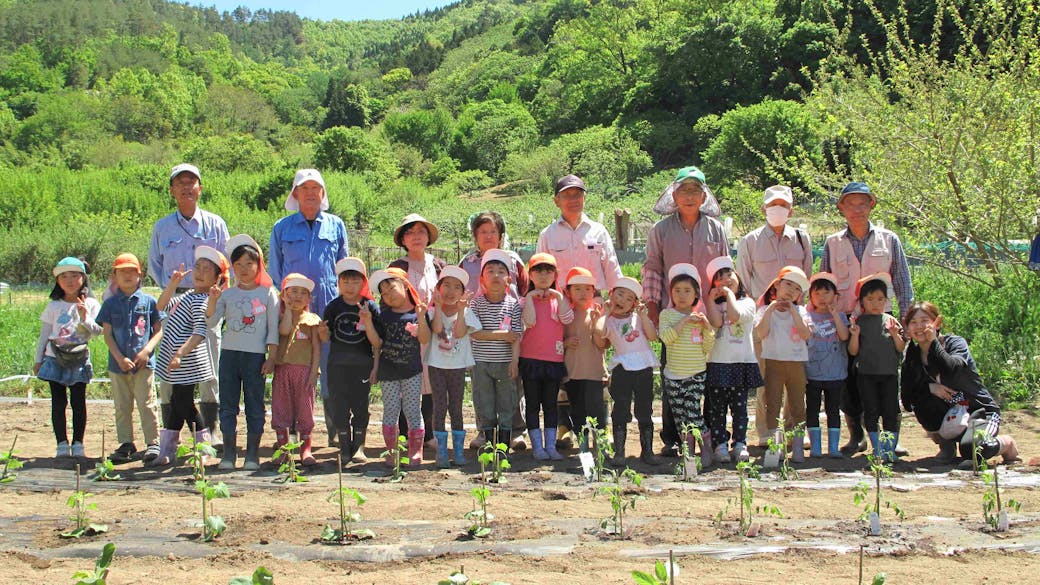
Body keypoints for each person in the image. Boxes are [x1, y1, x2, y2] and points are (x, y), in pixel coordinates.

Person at [820, 181, 914, 456]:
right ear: (841, 208)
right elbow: (826, 284)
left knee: (885, 376)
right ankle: (856, 435)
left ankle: (889, 438)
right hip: (847, 319)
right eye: (851, 204)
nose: (857, 209)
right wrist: (828, 320)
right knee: (848, 378)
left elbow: (902, 282)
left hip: (882, 319)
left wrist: (905, 322)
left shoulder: (889, 239)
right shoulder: (833, 243)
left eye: (863, 203)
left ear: (872, 205)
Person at [642, 166, 727, 455]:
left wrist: (724, 307)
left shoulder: (716, 229)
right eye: (684, 190)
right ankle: (674, 438)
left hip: (708, 316)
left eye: (695, 191)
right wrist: (652, 306)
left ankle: (711, 435)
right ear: (674, 195)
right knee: (673, 377)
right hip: (673, 315)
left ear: (704, 197)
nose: (689, 196)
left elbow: (723, 270)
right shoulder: (661, 230)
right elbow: (653, 267)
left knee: (709, 378)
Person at [148, 163, 229, 450]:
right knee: (171, 369)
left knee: (210, 367)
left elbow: (226, 265)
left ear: (200, 188)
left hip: (208, 301)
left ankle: (213, 432)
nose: (186, 187)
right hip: (174, 302)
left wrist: (217, 300)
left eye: (191, 182)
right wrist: (172, 291)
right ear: (172, 190)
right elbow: (155, 266)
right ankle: (171, 434)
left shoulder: (215, 224)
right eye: (180, 183)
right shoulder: (162, 227)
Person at [268, 169, 349, 448]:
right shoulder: (282, 227)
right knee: (292, 365)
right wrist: (284, 307)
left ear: (323, 194)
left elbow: (343, 268)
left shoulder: (336, 225)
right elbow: (275, 271)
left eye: (316, 188)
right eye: (305, 188)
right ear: (295, 194)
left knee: (328, 365)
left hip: (326, 307)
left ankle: (333, 428)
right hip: (292, 309)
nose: (311, 193)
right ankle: (291, 433)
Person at [736, 185, 813, 448]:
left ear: (790, 210)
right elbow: (744, 281)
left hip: (793, 319)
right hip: (764, 318)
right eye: (772, 205)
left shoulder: (802, 239)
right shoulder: (750, 240)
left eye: (782, 205)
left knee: (793, 377)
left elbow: (806, 278)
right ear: (763, 209)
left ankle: (792, 433)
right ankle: (766, 433)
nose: (777, 210)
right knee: (764, 377)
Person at [900, 301, 1019, 466]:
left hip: (979, 410)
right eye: (913, 322)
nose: (919, 326)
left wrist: (933, 342)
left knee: (973, 450)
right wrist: (929, 388)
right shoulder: (912, 356)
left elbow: (952, 368)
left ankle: (1007, 444)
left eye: (924, 320)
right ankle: (946, 445)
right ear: (907, 328)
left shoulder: (955, 343)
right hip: (952, 414)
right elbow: (906, 400)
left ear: (937, 322)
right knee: (921, 401)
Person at [206, 235, 279, 470]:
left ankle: (252, 455)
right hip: (229, 355)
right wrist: (212, 301)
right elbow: (211, 322)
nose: (244, 269)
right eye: (238, 264)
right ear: (232, 267)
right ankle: (228, 454)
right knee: (227, 405)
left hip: (255, 357)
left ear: (259, 265)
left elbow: (273, 328)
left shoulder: (268, 293)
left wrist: (272, 357)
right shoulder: (226, 294)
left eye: (249, 263)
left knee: (255, 405)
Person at [459, 210, 530, 451]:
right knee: (482, 391)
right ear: (475, 236)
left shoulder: (514, 260)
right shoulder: (467, 263)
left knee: (511, 388)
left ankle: (515, 432)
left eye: (493, 231)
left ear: (500, 235)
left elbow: (524, 291)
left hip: (510, 335)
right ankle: (484, 432)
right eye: (483, 232)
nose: (488, 236)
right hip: (478, 337)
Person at [152, 246, 228, 466]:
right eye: (198, 267)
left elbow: (199, 333)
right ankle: (168, 449)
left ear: (216, 278)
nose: (200, 272)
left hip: (187, 361)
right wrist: (173, 284)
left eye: (207, 269)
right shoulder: (187, 295)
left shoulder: (201, 300)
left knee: (184, 402)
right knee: (178, 401)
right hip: (177, 359)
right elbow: (160, 306)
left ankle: (203, 448)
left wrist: (179, 354)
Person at [96, 253, 163, 464]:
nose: (127, 275)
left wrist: (147, 351)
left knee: (147, 403)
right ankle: (126, 443)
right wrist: (119, 358)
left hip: (144, 364)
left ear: (139, 275)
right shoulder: (109, 304)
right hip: (118, 366)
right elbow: (107, 335)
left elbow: (158, 331)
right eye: (122, 271)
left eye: (131, 271)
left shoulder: (149, 301)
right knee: (122, 406)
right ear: (114, 276)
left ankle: (153, 442)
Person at [389, 214, 446, 452]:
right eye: (410, 233)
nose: (416, 237)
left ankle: (429, 433)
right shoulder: (396, 267)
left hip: (432, 331)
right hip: (405, 333)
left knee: (431, 383)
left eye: (421, 232)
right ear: (403, 238)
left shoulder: (438, 264)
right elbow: (389, 298)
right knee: (406, 383)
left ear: (428, 237)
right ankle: (405, 433)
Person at [35, 257, 102, 458]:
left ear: (83, 278)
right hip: (54, 357)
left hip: (79, 357)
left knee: (78, 402)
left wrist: (85, 317)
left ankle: (79, 443)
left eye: (74, 276)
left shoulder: (90, 303)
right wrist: (38, 360)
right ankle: (62, 444)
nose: (70, 280)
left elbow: (98, 332)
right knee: (58, 401)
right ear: (58, 281)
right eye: (64, 276)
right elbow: (44, 335)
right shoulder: (54, 306)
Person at [594, 277, 660, 466]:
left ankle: (647, 451)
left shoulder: (638, 318)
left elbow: (653, 336)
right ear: (611, 295)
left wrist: (644, 316)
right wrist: (606, 313)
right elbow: (599, 331)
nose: (622, 300)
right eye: (619, 294)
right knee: (620, 409)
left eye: (629, 298)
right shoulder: (609, 320)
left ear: (635, 304)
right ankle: (620, 452)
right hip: (622, 368)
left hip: (644, 368)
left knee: (645, 410)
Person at [321, 258, 382, 466]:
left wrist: (368, 321)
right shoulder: (333, 307)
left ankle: (359, 446)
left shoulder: (370, 306)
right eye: (345, 282)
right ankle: (344, 446)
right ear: (338, 283)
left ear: (363, 283)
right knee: (339, 405)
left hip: (362, 365)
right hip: (337, 365)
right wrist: (321, 333)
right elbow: (326, 337)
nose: (350, 286)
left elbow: (377, 342)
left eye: (355, 282)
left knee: (360, 405)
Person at [369, 267, 431, 466]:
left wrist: (421, 317)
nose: (388, 295)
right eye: (383, 293)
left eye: (391, 288)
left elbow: (425, 338)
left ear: (405, 285)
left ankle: (415, 452)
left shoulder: (418, 312)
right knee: (390, 410)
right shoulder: (383, 316)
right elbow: (377, 344)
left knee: (413, 410)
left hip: (412, 372)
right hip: (388, 373)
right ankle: (392, 451)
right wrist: (375, 368)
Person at [704, 255, 761, 464]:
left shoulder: (747, 302)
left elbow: (736, 316)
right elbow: (717, 322)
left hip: (741, 362)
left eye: (729, 274)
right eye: (720, 278)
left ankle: (740, 444)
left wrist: (728, 295)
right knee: (716, 408)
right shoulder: (716, 305)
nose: (726, 279)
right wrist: (711, 299)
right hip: (718, 363)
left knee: (740, 408)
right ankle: (719, 445)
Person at [657, 264, 715, 468]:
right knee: (681, 416)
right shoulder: (667, 315)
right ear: (671, 293)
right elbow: (666, 338)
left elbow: (707, 346)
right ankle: (689, 452)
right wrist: (683, 322)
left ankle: (705, 447)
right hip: (673, 375)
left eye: (687, 291)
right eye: (677, 291)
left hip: (696, 373)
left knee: (693, 412)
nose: (682, 295)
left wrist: (707, 328)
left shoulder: (700, 318)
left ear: (696, 294)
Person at [753, 266, 813, 462]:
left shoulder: (802, 311)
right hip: (773, 363)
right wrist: (771, 308)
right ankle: (773, 446)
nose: (790, 291)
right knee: (773, 404)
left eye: (797, 289)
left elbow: (805, 335)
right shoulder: (763, 310)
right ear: (777, 285)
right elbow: (761, 333)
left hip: (796, 364)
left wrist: (794, 312)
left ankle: (796, 446)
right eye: (788, 284)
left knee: (797, 404)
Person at [468, 249, 524, 454]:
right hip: (481, 363)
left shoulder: (514, 305)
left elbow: (516, 336)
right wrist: (501, 334)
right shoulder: (476, 304)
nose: (496, 275)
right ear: (482, 278)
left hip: (505, 363)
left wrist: (515, 362)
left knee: (507, 403)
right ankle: (489, 443)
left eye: (501, 272)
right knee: (485, 403)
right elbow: (475, 334)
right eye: (490, 271)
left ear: (508, 280)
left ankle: (503, 446)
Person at [520, 253, 574, 461]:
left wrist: (559, 297)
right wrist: (532, 298)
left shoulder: (560, 300)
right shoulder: (525, 301)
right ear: (530, 275)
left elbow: (567, 318)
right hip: (530, 360)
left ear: (555, 275)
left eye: (548, 271)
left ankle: (551, 446)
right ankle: (537, 447)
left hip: (553, 361)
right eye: (538, 271)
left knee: (550, 404)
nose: (543, 276)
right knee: (533, 404)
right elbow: (530, 322)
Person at [847, 273, 906, 461]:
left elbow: (900, 348)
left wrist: (896, 334)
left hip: (889, 375)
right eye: (870, 299)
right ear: (862, 301)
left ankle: (890, 448)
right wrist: (855, 335)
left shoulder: (891, 321)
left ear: (886, 301)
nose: (875, 303)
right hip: (866, 375)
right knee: (871, 411)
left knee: (891, 411)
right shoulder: (859, 322)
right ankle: (877, 447)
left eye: (880, 299)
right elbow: (853, 351)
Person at [427, 266, 480, 467]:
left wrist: (461, 310)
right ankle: (442, 453)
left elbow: (459, 333)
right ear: (438, 288)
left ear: (463, 292)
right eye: (446, 285)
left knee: (456, 408)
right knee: (439, 407)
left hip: (458, 366)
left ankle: (458, 452)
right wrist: (439, 307)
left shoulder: (466, 311)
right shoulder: (433, 311)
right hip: (436, 365)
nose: (450, 291)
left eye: (456, 287)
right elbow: (438, 329)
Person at [536, 174, 623, 291]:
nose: (573, 200)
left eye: (577, 195)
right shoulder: (547, 235)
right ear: (557, 201)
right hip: (561, 304)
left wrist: (618, 297)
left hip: (594, 304)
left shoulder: (599, 231)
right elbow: (539, 272)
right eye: (567, 195)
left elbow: (612, 269)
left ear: (584, 198)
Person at [273, 274, 322, 469]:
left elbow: (317, 348)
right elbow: (284, 331)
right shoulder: (279, 317)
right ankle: (284, 449)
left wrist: (314, 372)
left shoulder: (312, 319)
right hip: (282, 371)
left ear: (309, 299)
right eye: (293, 291)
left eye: (303, 293)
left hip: (304, 372)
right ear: (284, 295)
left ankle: (305, 449)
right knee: (281, 409)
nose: (298, 296)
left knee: (305, 410)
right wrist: (286, 309)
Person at [804, 272, 850, 458]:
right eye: (817, 293)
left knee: (833, 410)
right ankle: (816, 447)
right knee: (812, 409)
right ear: (811, 296)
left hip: (836, 373)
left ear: (835, 295)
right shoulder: (806, 315)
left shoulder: (839, 316)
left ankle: (833, 448)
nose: (822, 298)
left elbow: (844, 336)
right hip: (812, 372)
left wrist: (835, 315)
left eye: (826, 293)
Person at [561, 267, 607, 451]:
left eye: (587, 289)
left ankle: (601, 446)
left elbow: (603, 344)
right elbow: (556, 342)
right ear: (568, 292)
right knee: (577, 411)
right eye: (577, 289)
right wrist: (565, 342)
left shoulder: (599, 313)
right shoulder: (565, 316)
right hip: (573, 373)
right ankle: (583, 447)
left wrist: (597, 323)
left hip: (595, 373)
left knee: (597, 411)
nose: (583, 293)